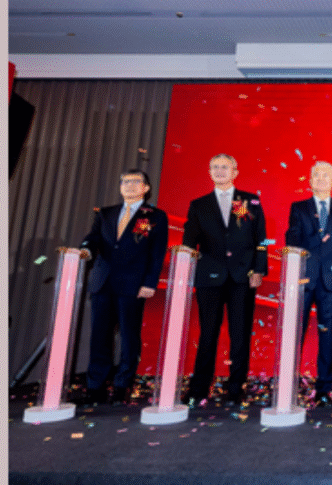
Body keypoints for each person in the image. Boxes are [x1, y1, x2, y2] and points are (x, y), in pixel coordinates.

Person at [181, 154, 268, 407]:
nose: (220, 171)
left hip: (243, 276)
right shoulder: (199, 205)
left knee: (240, 334)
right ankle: (199, 388)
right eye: (215, 167)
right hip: (209, 276)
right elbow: (189, 240)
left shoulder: (251, 200)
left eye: (225, 167)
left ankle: (235, 388)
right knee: (208, 333)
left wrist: (259, 270)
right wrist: (186, 261)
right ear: (209, 172)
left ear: (235, 171)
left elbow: (262, 239)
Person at [79, 169, 168, 405]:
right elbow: (93, 237)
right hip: (102, 281)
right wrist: (85, 250)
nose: (129, 185)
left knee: (129, 336)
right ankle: (95, 386)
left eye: (135, 181)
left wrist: (150, 282)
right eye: (125, 182)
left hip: (133, 283)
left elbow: (157, 254)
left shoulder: (154, 216)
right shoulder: (106, 213)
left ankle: (122, 386)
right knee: (99, 335)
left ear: (146, 188)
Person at [285, 161, 332, 407]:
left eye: (327, 175)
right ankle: (288, 386)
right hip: (304, 278)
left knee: (328, 336)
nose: (322, 178)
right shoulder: (299, 207)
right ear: (310, 180)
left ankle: (324, 388)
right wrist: (321, 236)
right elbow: (292, 239)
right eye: (317, 175)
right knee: (296, 334)